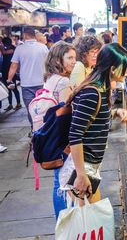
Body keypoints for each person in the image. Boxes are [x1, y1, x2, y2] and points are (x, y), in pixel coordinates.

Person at [68, 43, 127, 203]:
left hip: (91, 165)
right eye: (124, 67)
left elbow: (93, 117)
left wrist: (115, 112)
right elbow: (75, 135)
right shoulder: (92, 92)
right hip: (84, 167)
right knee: (89, 222)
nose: (126, 71)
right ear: (112, 69)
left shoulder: (101, 89)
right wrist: (81, 175)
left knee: (93, 221)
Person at [42, 41, 76, 219]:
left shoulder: (50, 78)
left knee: (58, 182)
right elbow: (66, 115)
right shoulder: (63, 81)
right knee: (62, 184)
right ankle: (64, 224)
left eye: (74, 58)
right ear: (58, 59)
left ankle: (61, 224)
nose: (73, 61)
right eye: (69, 57)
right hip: (61, 139)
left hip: (51, 137)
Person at [7, 27, 48, 130]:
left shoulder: (20, 48)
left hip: (26, 85)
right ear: (34, 35)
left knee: (31, 109)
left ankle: (34, 129)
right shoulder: (43, 47)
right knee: (43, 108)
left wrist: (9, 80)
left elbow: (13, 66)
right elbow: (49, 64)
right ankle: (44, 128)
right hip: (42, 83)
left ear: (25, 35)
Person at [0, 37, 22, 111]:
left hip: (11, 71)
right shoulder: (5, 47)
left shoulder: (13, 48)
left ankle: (18, 103)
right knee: (7, 88)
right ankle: (10, 104)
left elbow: (5, 53)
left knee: (14, 87)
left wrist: (1, 47)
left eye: (3, 43)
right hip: (5, 71)